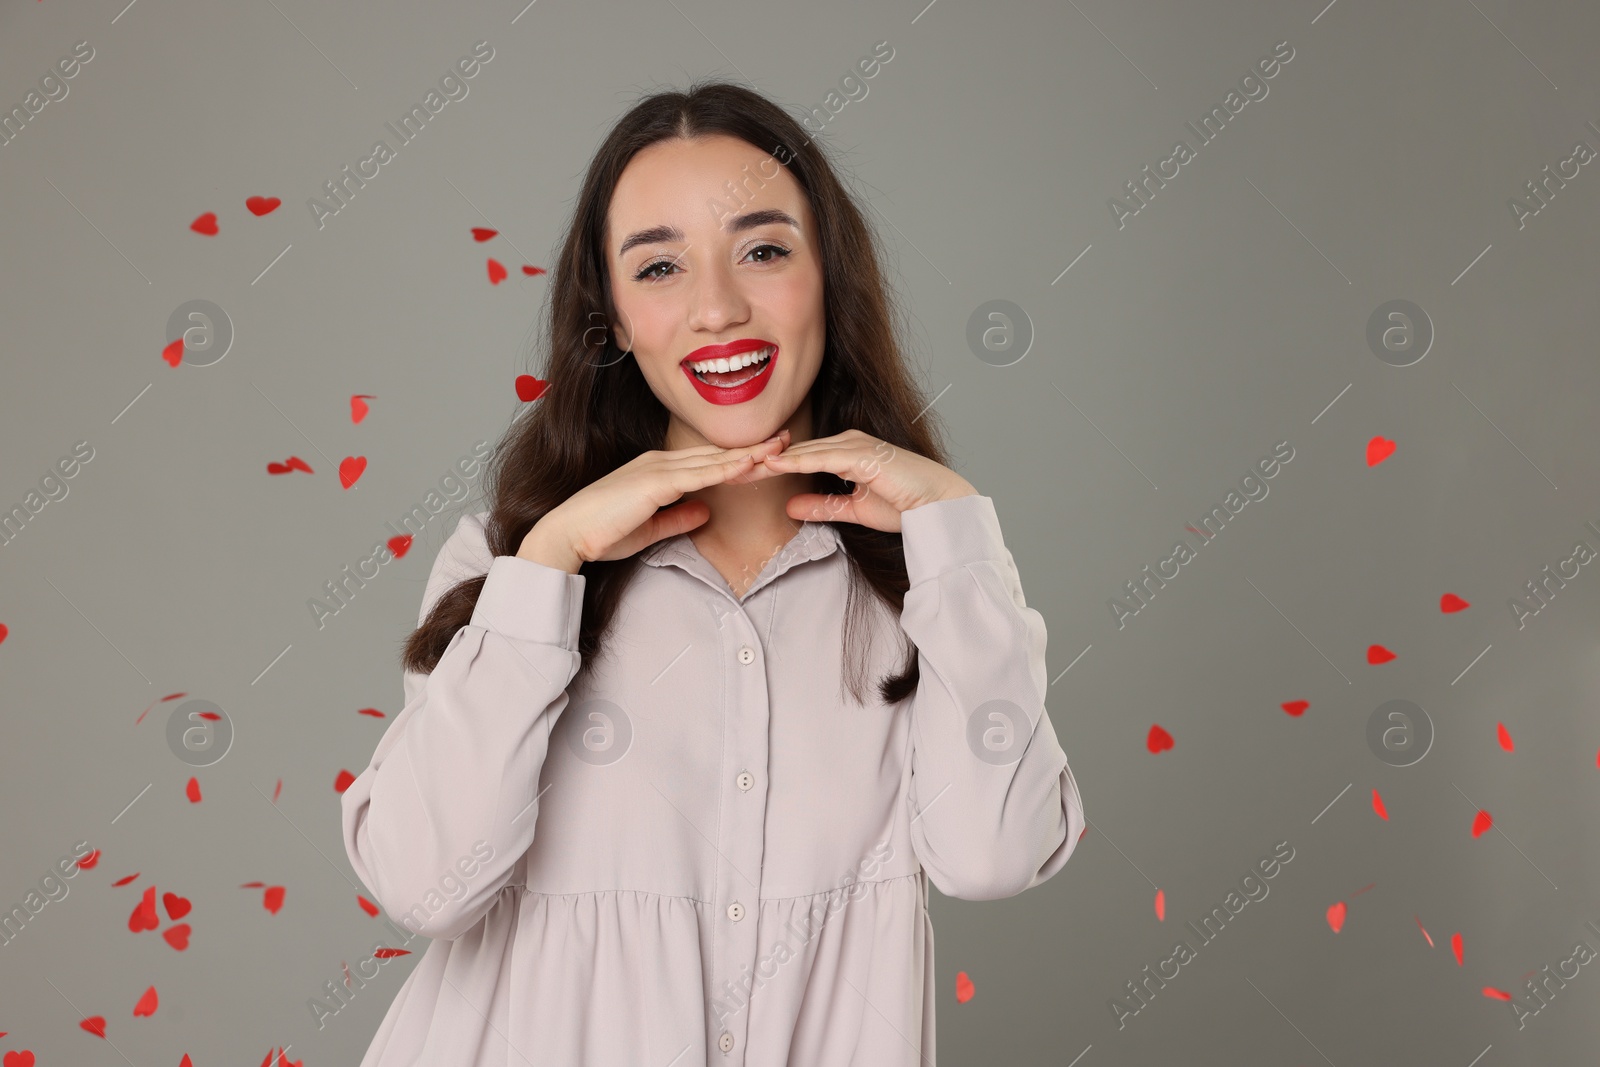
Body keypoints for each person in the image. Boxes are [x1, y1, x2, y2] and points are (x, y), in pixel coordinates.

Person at [340, 79, 1086, 1066]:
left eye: (764, 250)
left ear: (831, 278)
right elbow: (426, 884)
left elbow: (993, 855)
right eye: (658, 268)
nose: (716, 307)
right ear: (609, 318)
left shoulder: (930, 581)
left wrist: (953, 534)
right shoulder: (510, 562)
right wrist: (549, 566)